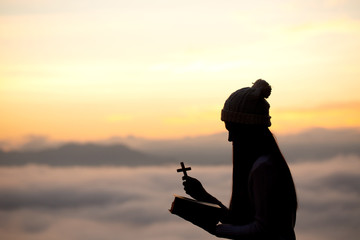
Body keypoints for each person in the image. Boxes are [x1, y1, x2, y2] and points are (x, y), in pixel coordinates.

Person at [183, 79, 297, 240]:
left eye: (232, 130)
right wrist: (203, 196)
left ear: (247, 129)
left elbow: (263, 230)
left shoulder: (264, 168)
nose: (230, 139)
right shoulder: (265, 163)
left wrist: (215, 229)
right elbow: (240, 220)